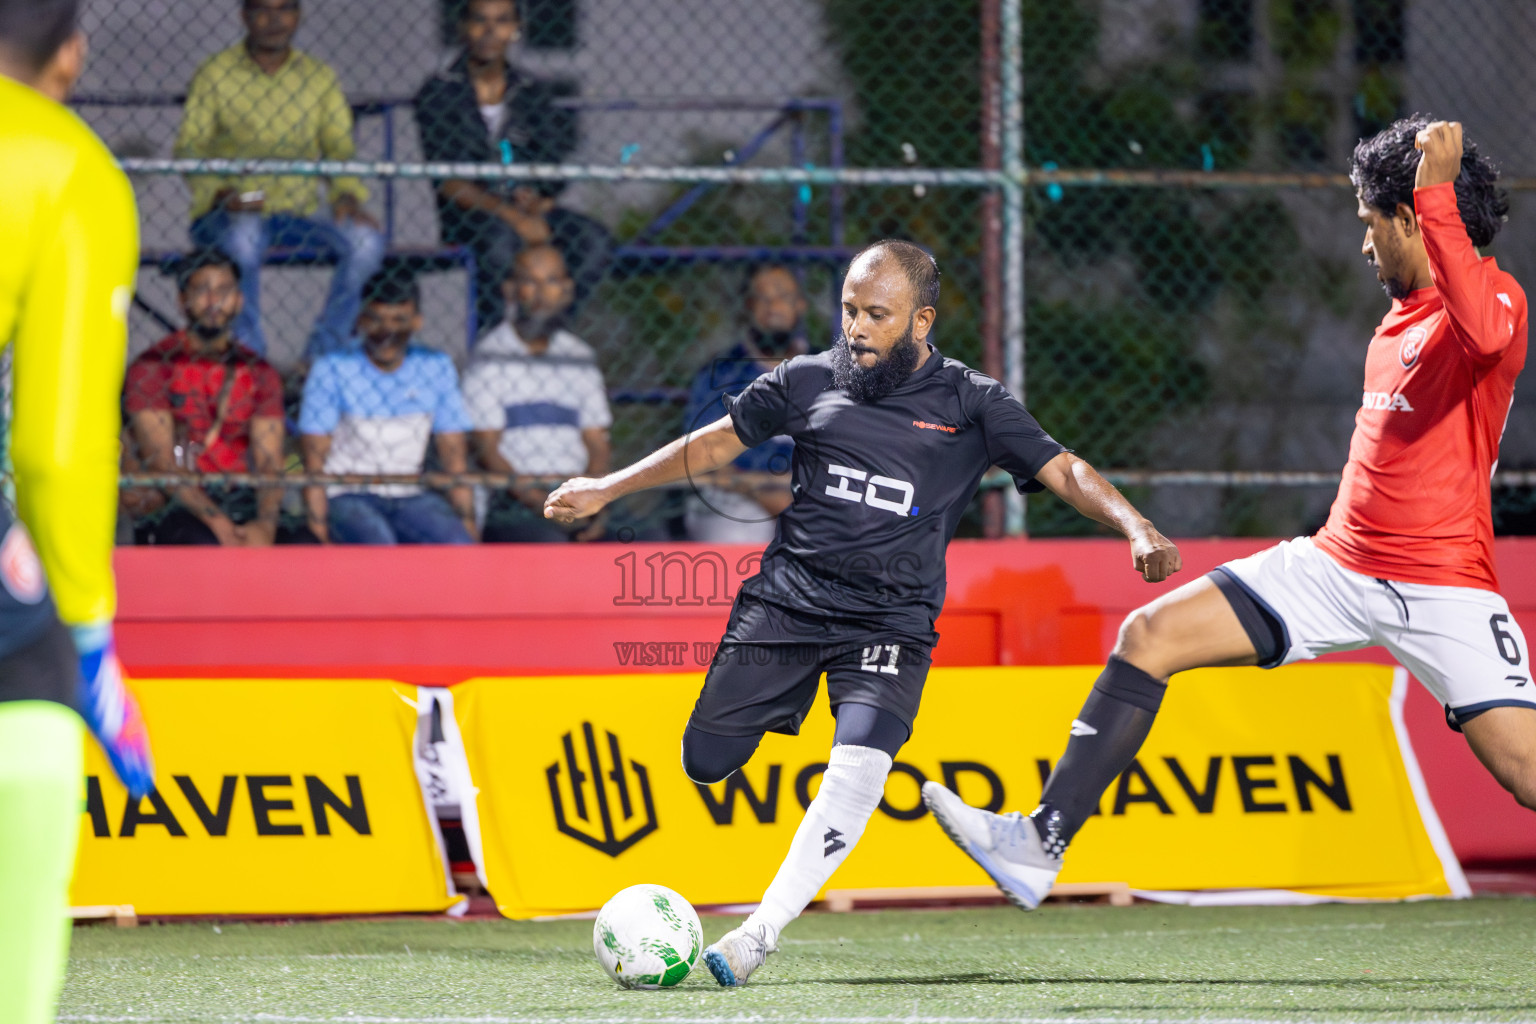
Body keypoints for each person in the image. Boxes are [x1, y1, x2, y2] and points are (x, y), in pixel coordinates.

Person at [923, 118, 1533, 911]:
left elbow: (1484, 332)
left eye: (1369, 225)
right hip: (1336, 565)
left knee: (1524, 774)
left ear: (1413, 217)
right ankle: (1040, 842)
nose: (1363, 246)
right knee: (1149, 637)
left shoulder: (1493, 298)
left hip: (1444, 586)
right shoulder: (1398, 316)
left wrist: (1434, 196)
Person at [545, 239, 1180, 985]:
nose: (856, 327)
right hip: (786, 605)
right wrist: (608, 488)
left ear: (921, 321)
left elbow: (1064, 468)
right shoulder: (808, 379)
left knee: (858, 768)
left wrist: (1135, 525)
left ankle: (757, 936)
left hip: (891, 624)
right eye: (849, 309)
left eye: (877, 314)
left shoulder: (973, 403)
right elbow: (717, 442)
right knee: (706, 763)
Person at [0, 2, 155, 1020]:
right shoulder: (67, 167)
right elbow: (57, 440)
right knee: (32, 698)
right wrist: (90, 635)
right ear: (70, 53)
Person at [175, 0, 386, 359]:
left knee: (366, 242)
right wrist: (220, 191)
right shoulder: (216, 73)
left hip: (298, 208)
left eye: (285, 8)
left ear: (298, 15)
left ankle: (324, 355)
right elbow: (190, 148)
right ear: (244, 15)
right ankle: (249, 358)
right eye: (262, 9)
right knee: (244, 237)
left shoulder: (318, 77)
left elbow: (339, 147)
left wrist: (346, 195)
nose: (274, 20)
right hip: (235, 206)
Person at [414, 0, 612, 331]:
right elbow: (449, 182)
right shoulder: (439, 92)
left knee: (593, 240)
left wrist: (539, 199)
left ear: (516, 28)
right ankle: (495, 341)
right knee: (498, 243)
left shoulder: (531, 91)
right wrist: (514, 217)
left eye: (502, 21)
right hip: (471, 215)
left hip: (528, 210)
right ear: (463, 26)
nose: (491, 31)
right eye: (480, 20)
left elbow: (552, 165)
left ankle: (550, 333)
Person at [125, 249, 299, 546]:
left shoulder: (258, 371)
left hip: (240, 493)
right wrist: (216, 520)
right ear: (182, 301)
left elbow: (270, 461)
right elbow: (162, 461)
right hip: (180, 499)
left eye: (224, 290)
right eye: (201, 290)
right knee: (202, 545)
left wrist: (266, 526)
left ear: (239, 300)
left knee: (302, 544)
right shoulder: (152, 366)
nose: (213, 301)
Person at [299, 271, 478, 544]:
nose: (387, 332)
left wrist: (467, 528)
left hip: (410, 493)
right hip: (347, 494)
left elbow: (455, 460)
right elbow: (314, 463)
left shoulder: (436, 366)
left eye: (399, 320)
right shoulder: (332, 367)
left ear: (417, 322)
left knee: (457, 546)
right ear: (360, 321)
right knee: (380, 546)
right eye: (376, 320)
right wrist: (319, 530)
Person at [463, 245, 611, 542]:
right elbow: (487, 451)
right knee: (550, 546)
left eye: (553, 281)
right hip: (514, 498)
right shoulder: (488, 358)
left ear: (567, 290)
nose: (543, 293)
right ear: (511, 290)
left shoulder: (578, 355)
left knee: (647, 538)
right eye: (531, 281)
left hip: (578, 489)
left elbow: (597, 443)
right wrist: (549, 506)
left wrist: (592, 499)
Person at [682, 264, 808, 544]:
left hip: (810, 495)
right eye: (762, 298)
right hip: (735, 492)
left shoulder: (826, 372)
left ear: (801, 305)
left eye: (783, 296)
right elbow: (707, 456)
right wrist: (766, 495)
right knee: (739, 532)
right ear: (748, 307)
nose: (773, 305)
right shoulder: (720, 373)